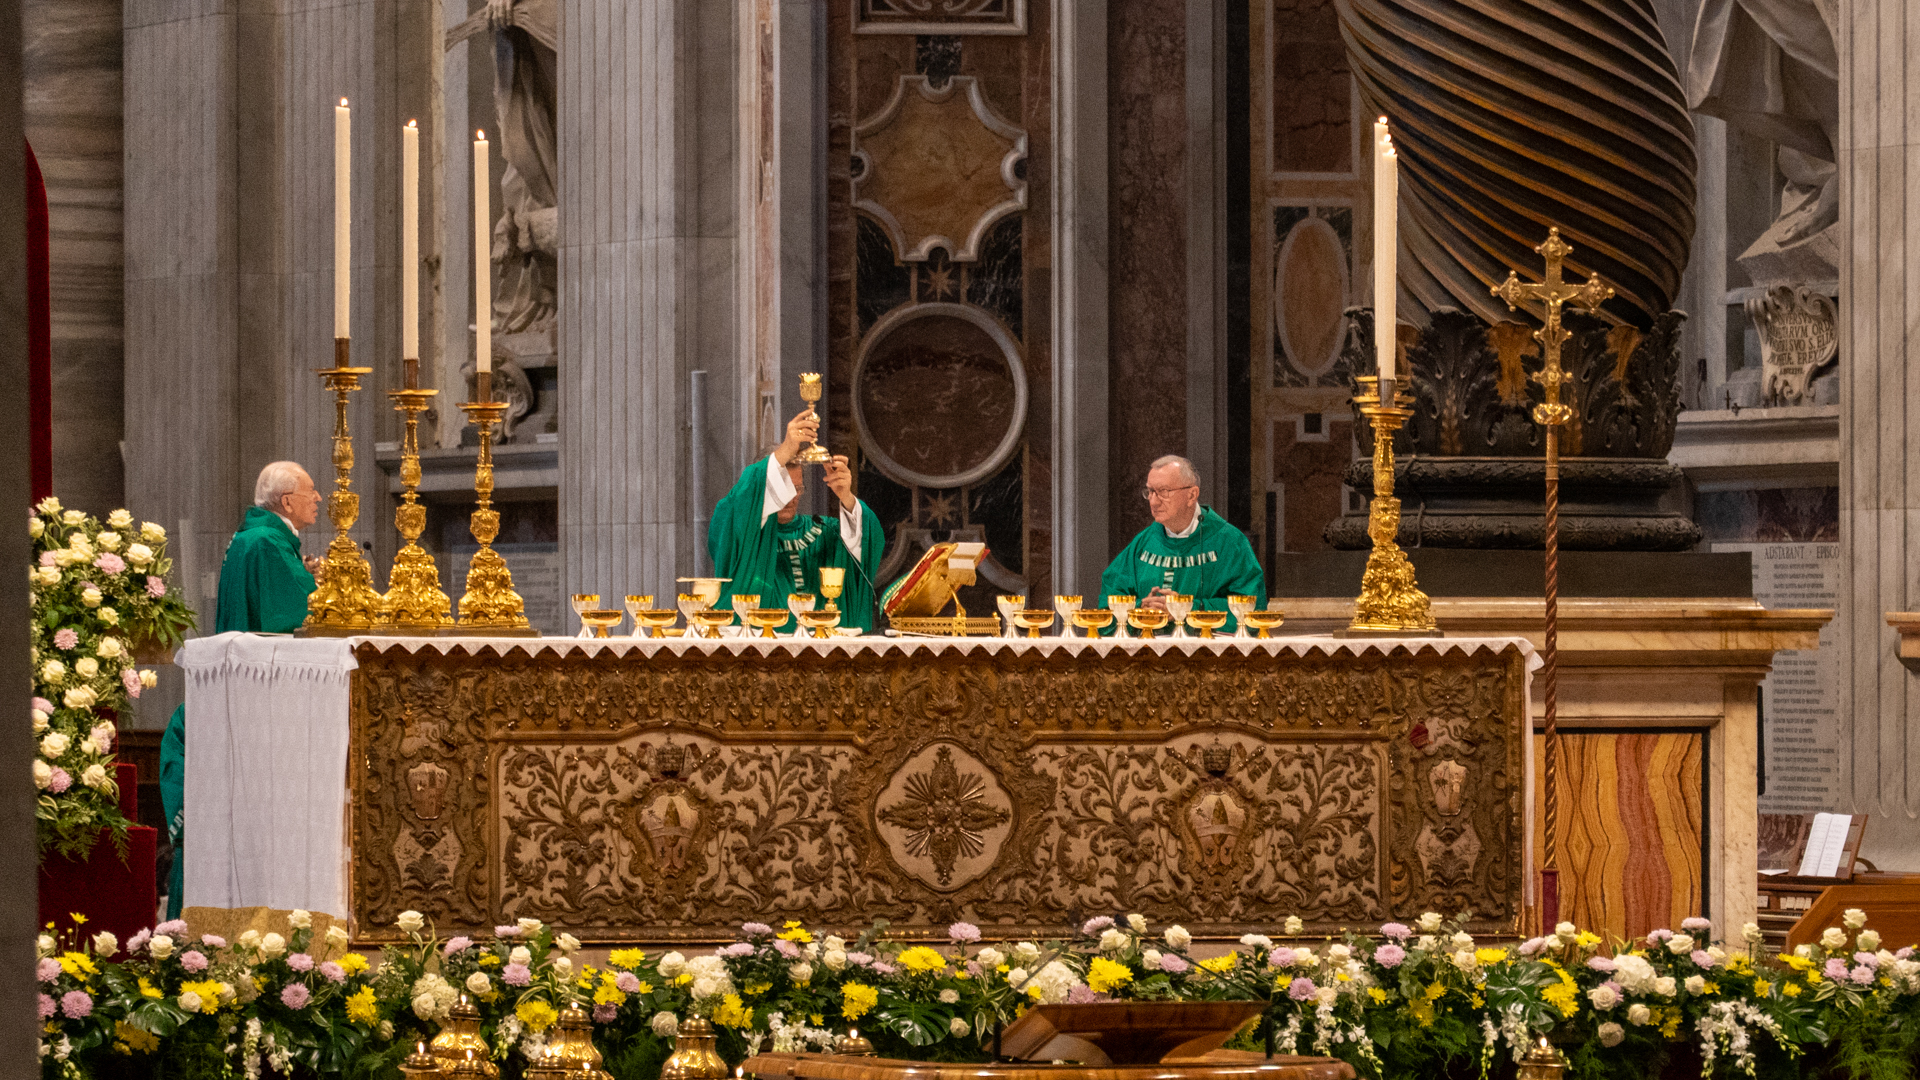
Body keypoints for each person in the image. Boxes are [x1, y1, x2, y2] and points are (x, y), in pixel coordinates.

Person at [158, 461, 322, 917]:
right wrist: (323, 591)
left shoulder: (255, 539)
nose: (319, 498)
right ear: (287, 500)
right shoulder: (268, 543)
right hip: (268, 700)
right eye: (311, 491)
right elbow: (291, 620)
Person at [707, 410, 883, 632]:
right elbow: (738, 504)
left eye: (797, 489)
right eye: (783, 489)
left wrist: (846, 497)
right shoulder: (744, 533)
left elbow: (866, 540)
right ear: (766, 489)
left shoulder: (823, 531)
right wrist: (785, 450)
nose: (791, 498)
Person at [1098, 455, 1265, 631]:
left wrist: (1187, 610)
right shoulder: (1143, 543)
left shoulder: (1230, 543)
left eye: (1163, 491)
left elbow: (1253, 611)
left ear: (1191, 495)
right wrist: (1140, 609)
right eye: (1150, 492)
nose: (1153, 502)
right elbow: (1107, 606)